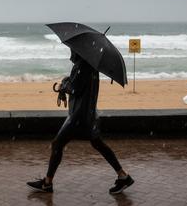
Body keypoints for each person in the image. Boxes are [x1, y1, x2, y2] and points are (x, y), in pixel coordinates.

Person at [27, 50, 134, 194]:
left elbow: (75, 89)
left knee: (57, 144)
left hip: (78, 117)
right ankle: (123, 175)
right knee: (98, 144)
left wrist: (63, 85)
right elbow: (79, 85)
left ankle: (47, 183)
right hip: (89, 114)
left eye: (72, 51)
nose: (71, 54)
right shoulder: (91, 66)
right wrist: (68, 81)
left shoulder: (82, 66)